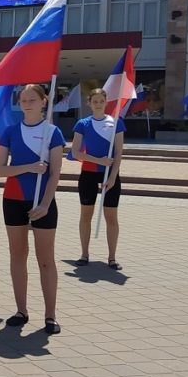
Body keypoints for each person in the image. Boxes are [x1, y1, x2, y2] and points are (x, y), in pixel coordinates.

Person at [0, 83, 64, 335]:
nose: (26, 103)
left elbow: (55, 173)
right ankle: (21, 310)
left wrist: (45, 203)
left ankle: (50, 316)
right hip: (13, 199)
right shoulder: (10, 132)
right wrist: (28, 167)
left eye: (32, 99)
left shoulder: (53, 132)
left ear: (44, 101)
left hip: (42, 203)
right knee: (18, 256)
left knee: (45, 260)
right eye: (23, 100)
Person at [70, 88, 124, 269]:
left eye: (101, 101)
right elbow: (76, 152)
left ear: (106, 101)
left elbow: (118, 152)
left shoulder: (116, 123)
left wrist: (113, 176)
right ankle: (84, 254)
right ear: (89, 103)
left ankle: (112, 257)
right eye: (95, 101)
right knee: (86, 215)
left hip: (110, 175)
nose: (98, 104)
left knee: (111, 217)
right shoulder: (82, 124)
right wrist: (98, 160)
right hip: (88, 174)